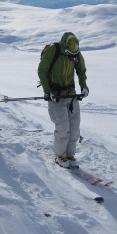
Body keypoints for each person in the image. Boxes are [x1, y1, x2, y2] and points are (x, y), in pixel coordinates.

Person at [37, 32, 89, 168]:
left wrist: (84, 87)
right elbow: (42, 70)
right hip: (56, 97)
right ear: (65, 46)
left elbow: (81, 70)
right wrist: (47, 92)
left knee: (74, 128)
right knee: (63, 128)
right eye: (70, 53)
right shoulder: (53, 50)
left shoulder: (75, 52)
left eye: (75, 53)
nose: (73, 56)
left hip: (71, 95)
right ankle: (60, 156)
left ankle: (70, 154)